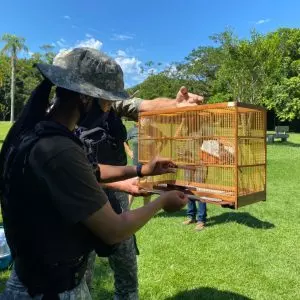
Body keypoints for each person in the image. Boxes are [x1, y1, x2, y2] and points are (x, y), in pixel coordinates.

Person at [0, 47, 188, 300]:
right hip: (51, 290)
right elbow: (114, 230)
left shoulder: (34, 133)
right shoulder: (57, 149)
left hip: (34, 279)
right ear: (85, 98)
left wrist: (142, 169)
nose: (109, 109)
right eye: (107, 101)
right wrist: (162, 201)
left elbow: (92, 171)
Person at [75, 82, 204, 298]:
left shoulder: (111, 102)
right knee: (81, 272)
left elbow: (143, 106)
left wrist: (175, 104)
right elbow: (79, 173)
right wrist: (156, 199)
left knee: (126, 266)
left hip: (115, 193)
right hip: (83, 195)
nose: (107, 103)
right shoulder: (64, 118)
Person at [125, 122, 151, 208]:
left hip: (149, 163)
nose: (146, 121)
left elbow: (163, 140)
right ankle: (127, 208)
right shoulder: (133, 130)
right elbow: (124, 140)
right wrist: (129, 152)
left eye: (147, 119)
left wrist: (156, 151)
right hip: (136, 163)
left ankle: (146, 208)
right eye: (143, 119)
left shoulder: (153, 130)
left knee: (147, 186)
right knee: (134, 185)